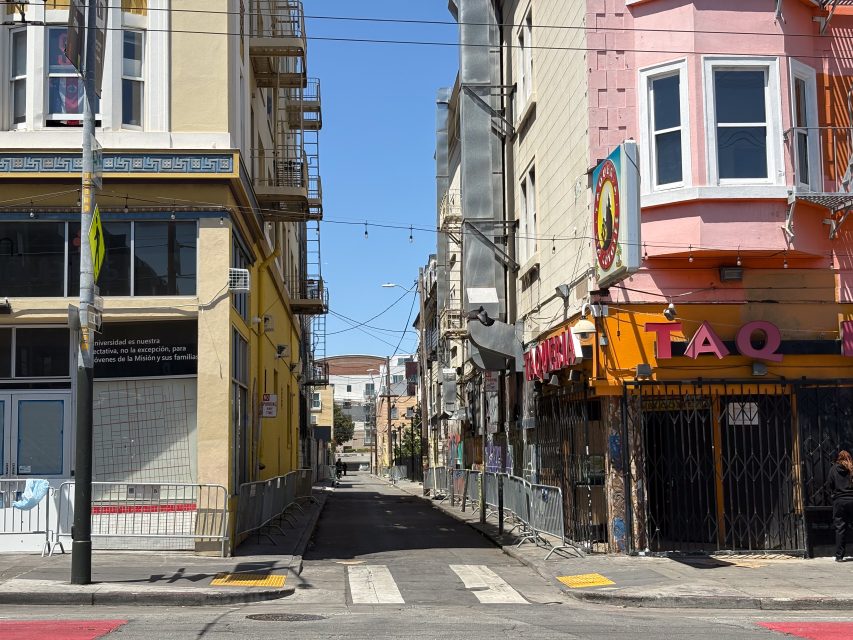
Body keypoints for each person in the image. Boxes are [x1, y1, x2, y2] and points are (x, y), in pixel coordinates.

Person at [829, 450, 853, 562]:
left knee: (840, 528)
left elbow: (830, 484)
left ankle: (839, 556)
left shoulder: (833, 469)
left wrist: (834, 495)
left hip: (839, 501)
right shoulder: (851, 469)